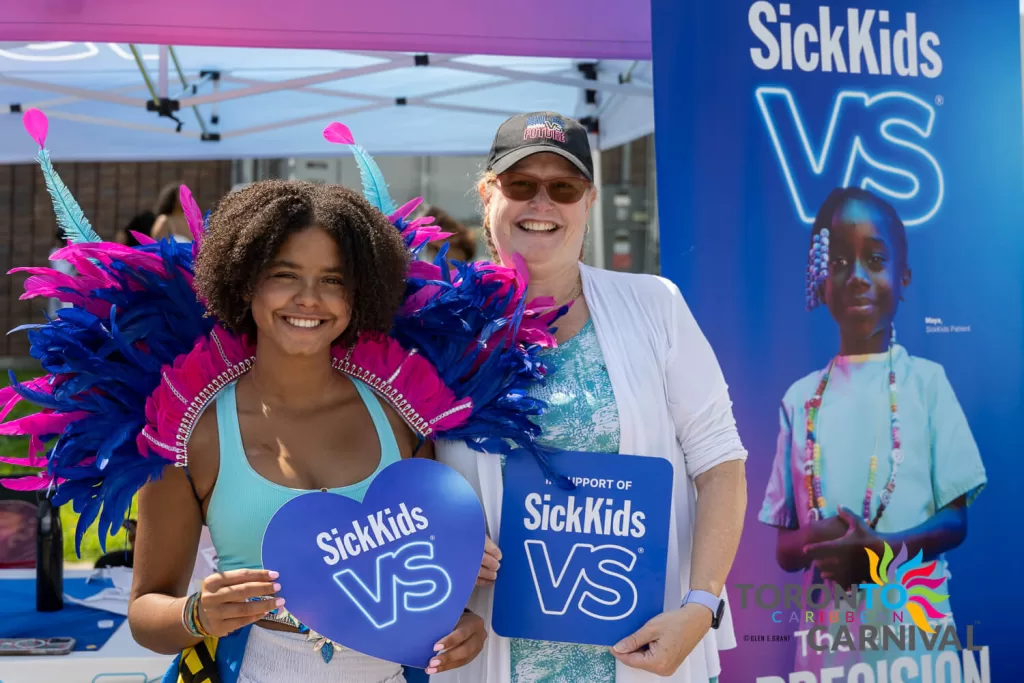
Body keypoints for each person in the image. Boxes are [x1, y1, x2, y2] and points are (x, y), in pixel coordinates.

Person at [0, 111, 563, 683]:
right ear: (242, 282)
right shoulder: (192, 433)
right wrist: (198, 612)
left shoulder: (400, 416)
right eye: (284, 275)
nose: (309, 299)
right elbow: (148, 611)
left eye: (335, 279)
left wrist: (462, 622)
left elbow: (422, 582)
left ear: (361, 292)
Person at [434, 112, 749, 683]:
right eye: (521, 185)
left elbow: (720, 463)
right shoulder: (442, 326)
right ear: (488, 193)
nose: (541, 203)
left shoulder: (656, 306)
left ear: (589, 200)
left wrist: (700, 608)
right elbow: (396, 462)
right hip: (493, 652)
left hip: (641, 653)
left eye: (564, 188)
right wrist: (438, 528)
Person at [759, 187, 986, 673]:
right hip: (830, 647)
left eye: (875, 261)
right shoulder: (799, 401)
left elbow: (954, 522)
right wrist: (822, 543)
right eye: (839, 262)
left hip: (916, 639)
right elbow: (785, 548)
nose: (858, 277)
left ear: (902, 278)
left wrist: (876, 553)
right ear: (820, 284)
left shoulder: (926, 384)